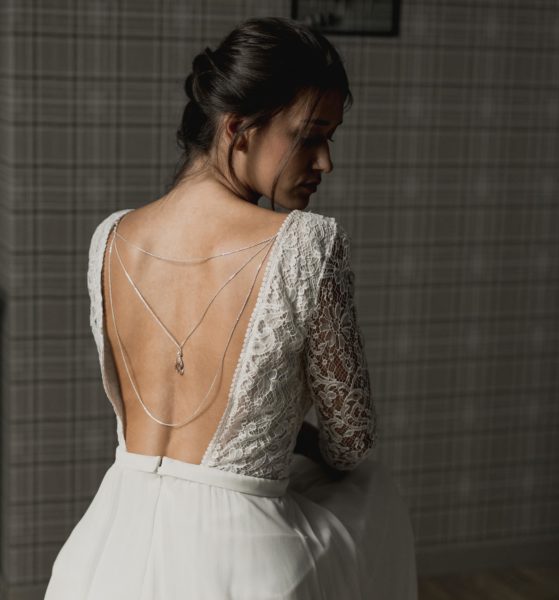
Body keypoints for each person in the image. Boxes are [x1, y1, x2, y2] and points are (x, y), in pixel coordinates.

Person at [44, 16, 417, 599]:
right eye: (310, 135)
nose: (324, 163)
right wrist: (285, 436)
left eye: (330, 139)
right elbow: (353, 439)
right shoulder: (306, 243)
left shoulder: (110, 238)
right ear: (238, 129)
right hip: (244, 562)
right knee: (372, 486)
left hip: (105, 550)